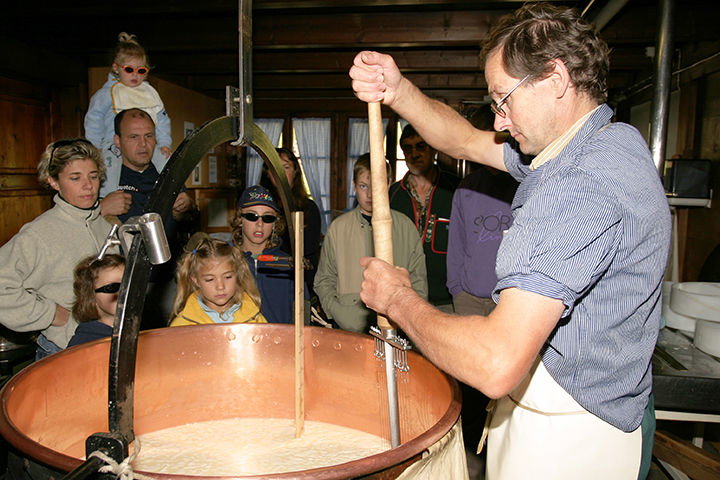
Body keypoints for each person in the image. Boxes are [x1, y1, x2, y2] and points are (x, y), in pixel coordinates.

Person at [349, 3, 671, 479]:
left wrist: (396, 298)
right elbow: (463, 141)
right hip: (571, 416)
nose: (499, 119)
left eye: (504, 98)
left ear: (555, 78)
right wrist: (399, 91)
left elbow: (495, 362)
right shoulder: (602, 140)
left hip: (571, 442)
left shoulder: (580, 183)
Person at [0, 139, 116, 359]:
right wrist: (49, 314)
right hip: (63, 350)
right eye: (75, 178)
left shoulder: (105, 226)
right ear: (53, 181)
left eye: (93, 176)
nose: (88, 185)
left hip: (108, 345)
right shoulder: (38, 233)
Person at [314, 154, 428, 333]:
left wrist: (411, 317)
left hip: (397, 326)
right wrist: (338, 313)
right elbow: (324, 279)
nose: (369, 194)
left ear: (389, 183)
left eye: (377, 186)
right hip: (349, 326)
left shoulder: (405, 227)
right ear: (354, 185)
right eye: (363, 186)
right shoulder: (338, 228)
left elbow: (419, 280)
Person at [85, 32, 172, 199]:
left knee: (166, 161)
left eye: (141, 71)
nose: (135, 75)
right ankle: (106, 197)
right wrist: (94, 145)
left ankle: (170, 193)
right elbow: (93, 119)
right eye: (129, 70)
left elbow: (161, 119)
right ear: (116, 68)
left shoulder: (149, 93)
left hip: (149, 142)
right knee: (108, 169)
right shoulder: (106, 94)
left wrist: (164, 142)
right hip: (112, 143)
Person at [389, 124, 459, 312]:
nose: (414, 154)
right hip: (403, 298)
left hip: (449, 300)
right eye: (407, 148)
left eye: (421, 146)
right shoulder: (391, 195)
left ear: (434, 148)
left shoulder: (457, 190)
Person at [99, 108, 192, 221]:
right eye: (133, 137)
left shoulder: (167, 171)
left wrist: (185, 207)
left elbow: (188, 222)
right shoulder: (102, 177)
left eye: (148, 136)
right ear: (118, 141)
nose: (143, 144)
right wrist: (101, 209)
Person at [260, 148, 322, 297]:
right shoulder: (261, 208)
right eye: (274, 167)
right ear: (268, 173)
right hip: (265, 279)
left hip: (301, 284)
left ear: (295, 171)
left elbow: (308, 251)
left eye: (285, 167)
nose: (279, 173)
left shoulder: (309, 208)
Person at [232, 185, 294, 325]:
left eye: (267, 218)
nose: (259, 224)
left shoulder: (288, 264)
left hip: (280, 341)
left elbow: (301, 313)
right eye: (251, 216)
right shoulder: (227, 261)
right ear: (240, 219)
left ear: (275, 224)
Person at [169, 236, 266, 326]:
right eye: (210, 279)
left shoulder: (254, 318)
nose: (220, 286)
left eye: (228, 277)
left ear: (238, 275)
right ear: (196, 280)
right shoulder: (182, 324)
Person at [67, 254, 125, 347]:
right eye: (112, 287)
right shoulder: (84, 344)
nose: (124, 292)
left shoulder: (146, 329)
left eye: (129, 284)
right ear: (91, 295)